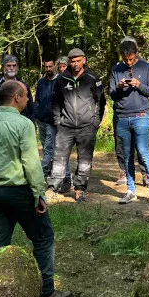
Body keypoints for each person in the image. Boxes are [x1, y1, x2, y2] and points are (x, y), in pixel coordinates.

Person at [0, 80, 72, 297]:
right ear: (16, 98)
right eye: (25, 95)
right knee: (43, 238)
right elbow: (31, 164)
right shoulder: (23, 124)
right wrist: (39, 194)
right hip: (20, 192)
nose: (28, 99)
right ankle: (46, 292)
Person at [110, 38, 149, 205]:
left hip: (141, 115)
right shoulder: (116, 69)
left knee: (143, 152)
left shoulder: (146, 67)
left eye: (131, 59)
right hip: (122, 117)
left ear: (135, 54)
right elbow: (112, 94)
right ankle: (131, 191)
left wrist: (139, 85)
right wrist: (118, 87)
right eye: (125, 59)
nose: (128, 62)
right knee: (127, 156)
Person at [50, 48, 106, 200]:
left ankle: (80, 188)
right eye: (72, 61)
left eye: (78, 60)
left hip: (87, 126)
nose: (75, 64)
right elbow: (55, 102)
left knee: (85, 159)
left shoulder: (93, 78)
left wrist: (95, 122)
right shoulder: (61, 79)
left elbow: (101, 102)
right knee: (59, 158)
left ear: (84, 60)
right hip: (65, 126)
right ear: (69, 62)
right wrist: (57, 120)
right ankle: (54, 187)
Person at [0, 54, 34, 119]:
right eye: (8, 66)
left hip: (20, 125)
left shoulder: (24, 86)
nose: (12, 68)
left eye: (14, 66)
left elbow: (30, 110)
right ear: (3, 67)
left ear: (17, 67)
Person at [35, 57, 61, 183]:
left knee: (49, 147)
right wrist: (36, 113)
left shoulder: (59, 81)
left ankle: (40, 172)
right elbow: (37, 99)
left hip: (52, 120)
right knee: (45, 148)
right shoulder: (41, 82)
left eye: (50, 66)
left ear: (54, 66)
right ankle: (49, 170)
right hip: (41, 120)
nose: (48, 69)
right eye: (46, 67)